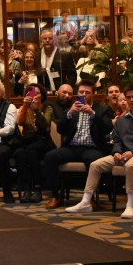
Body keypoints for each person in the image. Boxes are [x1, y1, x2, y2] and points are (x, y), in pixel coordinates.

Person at [67, 84, 133, 219]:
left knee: (130, 165)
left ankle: (130, 205)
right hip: (124, 154)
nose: (131, 100)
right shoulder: (122, 120)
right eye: (128, 97)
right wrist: (116, 152)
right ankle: (85, 202)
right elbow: (116, 140)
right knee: (95, 165)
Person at [42, 81, 112, 210]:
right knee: (50, 157)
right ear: (77, 94)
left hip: (92, 148)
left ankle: (89, 198)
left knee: (94, 161)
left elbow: (108, 128)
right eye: (81, 92)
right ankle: (55, 196)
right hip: (72, 147)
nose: (84, 95)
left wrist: (93, 114)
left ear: (94, 94)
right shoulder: (70, 110)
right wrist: (69, 114)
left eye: (87, 92)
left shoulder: (102, 110)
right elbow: (60, 130)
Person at [9, 84, 56, 204]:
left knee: (32, 153)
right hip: (26, 140)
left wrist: (36, 110)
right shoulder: (23, 108)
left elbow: (44, 125)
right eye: (31, 93)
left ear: (42, 95)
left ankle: (37, 188)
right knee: (20, 154)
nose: (34, 96)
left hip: (42, 140)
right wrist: (25, 106)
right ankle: (26, 189)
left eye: (37, 93)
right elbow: (19, 122)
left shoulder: (47, 107)